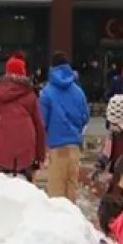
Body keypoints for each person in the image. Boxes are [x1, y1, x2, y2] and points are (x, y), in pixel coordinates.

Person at [0, 55, 46, 179]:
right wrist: (40, 157)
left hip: (3, 151)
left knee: (4, 188)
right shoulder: (30, 95)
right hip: (26, 152)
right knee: (25, 191)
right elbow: (39, 126)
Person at [40, 52, 90, 202]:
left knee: (56, 199)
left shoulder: (47, 92)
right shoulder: (78, 91)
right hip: (74, 147)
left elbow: (42, 121)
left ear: (52, 68)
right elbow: (85, 116)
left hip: (56, 147)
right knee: (71, 197)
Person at [99, 94, 123, 175]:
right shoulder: (113, 134)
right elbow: (107, 150)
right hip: (116, 171)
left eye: (116, 124)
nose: (112, 127)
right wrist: (100, 163)